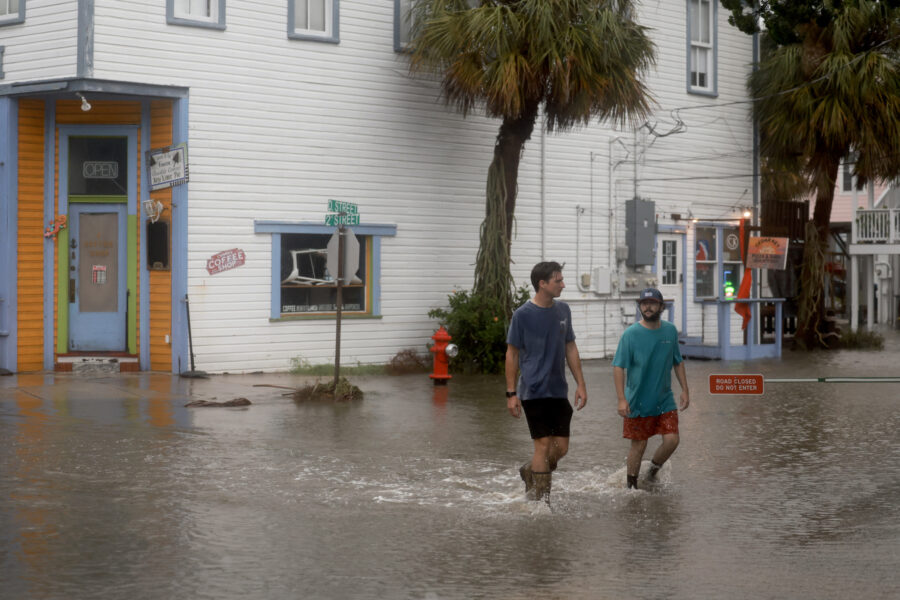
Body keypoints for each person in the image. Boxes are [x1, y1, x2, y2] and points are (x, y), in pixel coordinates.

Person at [506, 261, 588, 503]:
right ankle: (542, 504)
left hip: (558, 390)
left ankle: (530, 470)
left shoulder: (563, 311)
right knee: (542, 444)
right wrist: (511, 394)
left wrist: (581, 384)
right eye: (558, 281)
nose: (563, 284)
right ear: (542, 284)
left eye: (562, 280)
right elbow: (512, 353)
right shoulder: (522, 315)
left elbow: (570, 347)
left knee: (560, 448)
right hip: (533, 390)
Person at [613, 288, 689, 489]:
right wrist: (621, 398)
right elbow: (618, 366)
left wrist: (685, 390)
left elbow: (678, 361)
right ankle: (631, 488)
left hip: (664, 399)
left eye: (652, 303)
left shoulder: (670, 330)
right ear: (640, 306)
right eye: (644, 303)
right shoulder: (630, 334)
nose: (647, 307)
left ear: (661, 307)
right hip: (637, 400)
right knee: (639, 445)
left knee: (672, 440)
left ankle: (652, 472)